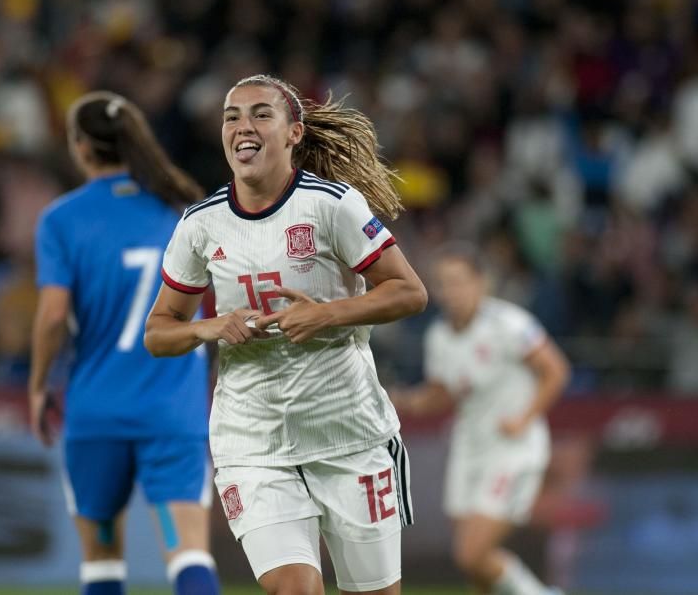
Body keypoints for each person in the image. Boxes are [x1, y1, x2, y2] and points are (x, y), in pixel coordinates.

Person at [144, 74, 428, 595]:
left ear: (294, 132)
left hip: (349, 434)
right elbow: (158, 333)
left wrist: (328, 314)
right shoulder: (200, 225)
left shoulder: (333, 205)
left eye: (260, 114)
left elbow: (409, 292)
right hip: (252, 440)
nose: (242, 127)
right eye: (232, 116)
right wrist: (211, 326)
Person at [29, 91, 221, 595]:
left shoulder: (61, 219)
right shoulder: (183, 210)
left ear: (80, 147)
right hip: (173, 411)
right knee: (189, 554)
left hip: (96, 411)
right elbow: (215, 308)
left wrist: (37, 385)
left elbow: (52, 317)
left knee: (101, 563)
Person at [390, 243, 570, 595]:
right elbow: (441, 395)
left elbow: (556, 371)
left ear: (481, 283)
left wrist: (524, 418)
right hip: (468, 447)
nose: (452, 292)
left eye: (459, 282)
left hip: (511, 449)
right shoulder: (439, 337)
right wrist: (403, 401)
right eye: (444, 283)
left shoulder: (511, 325)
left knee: (471, 553)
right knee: (474, 566)